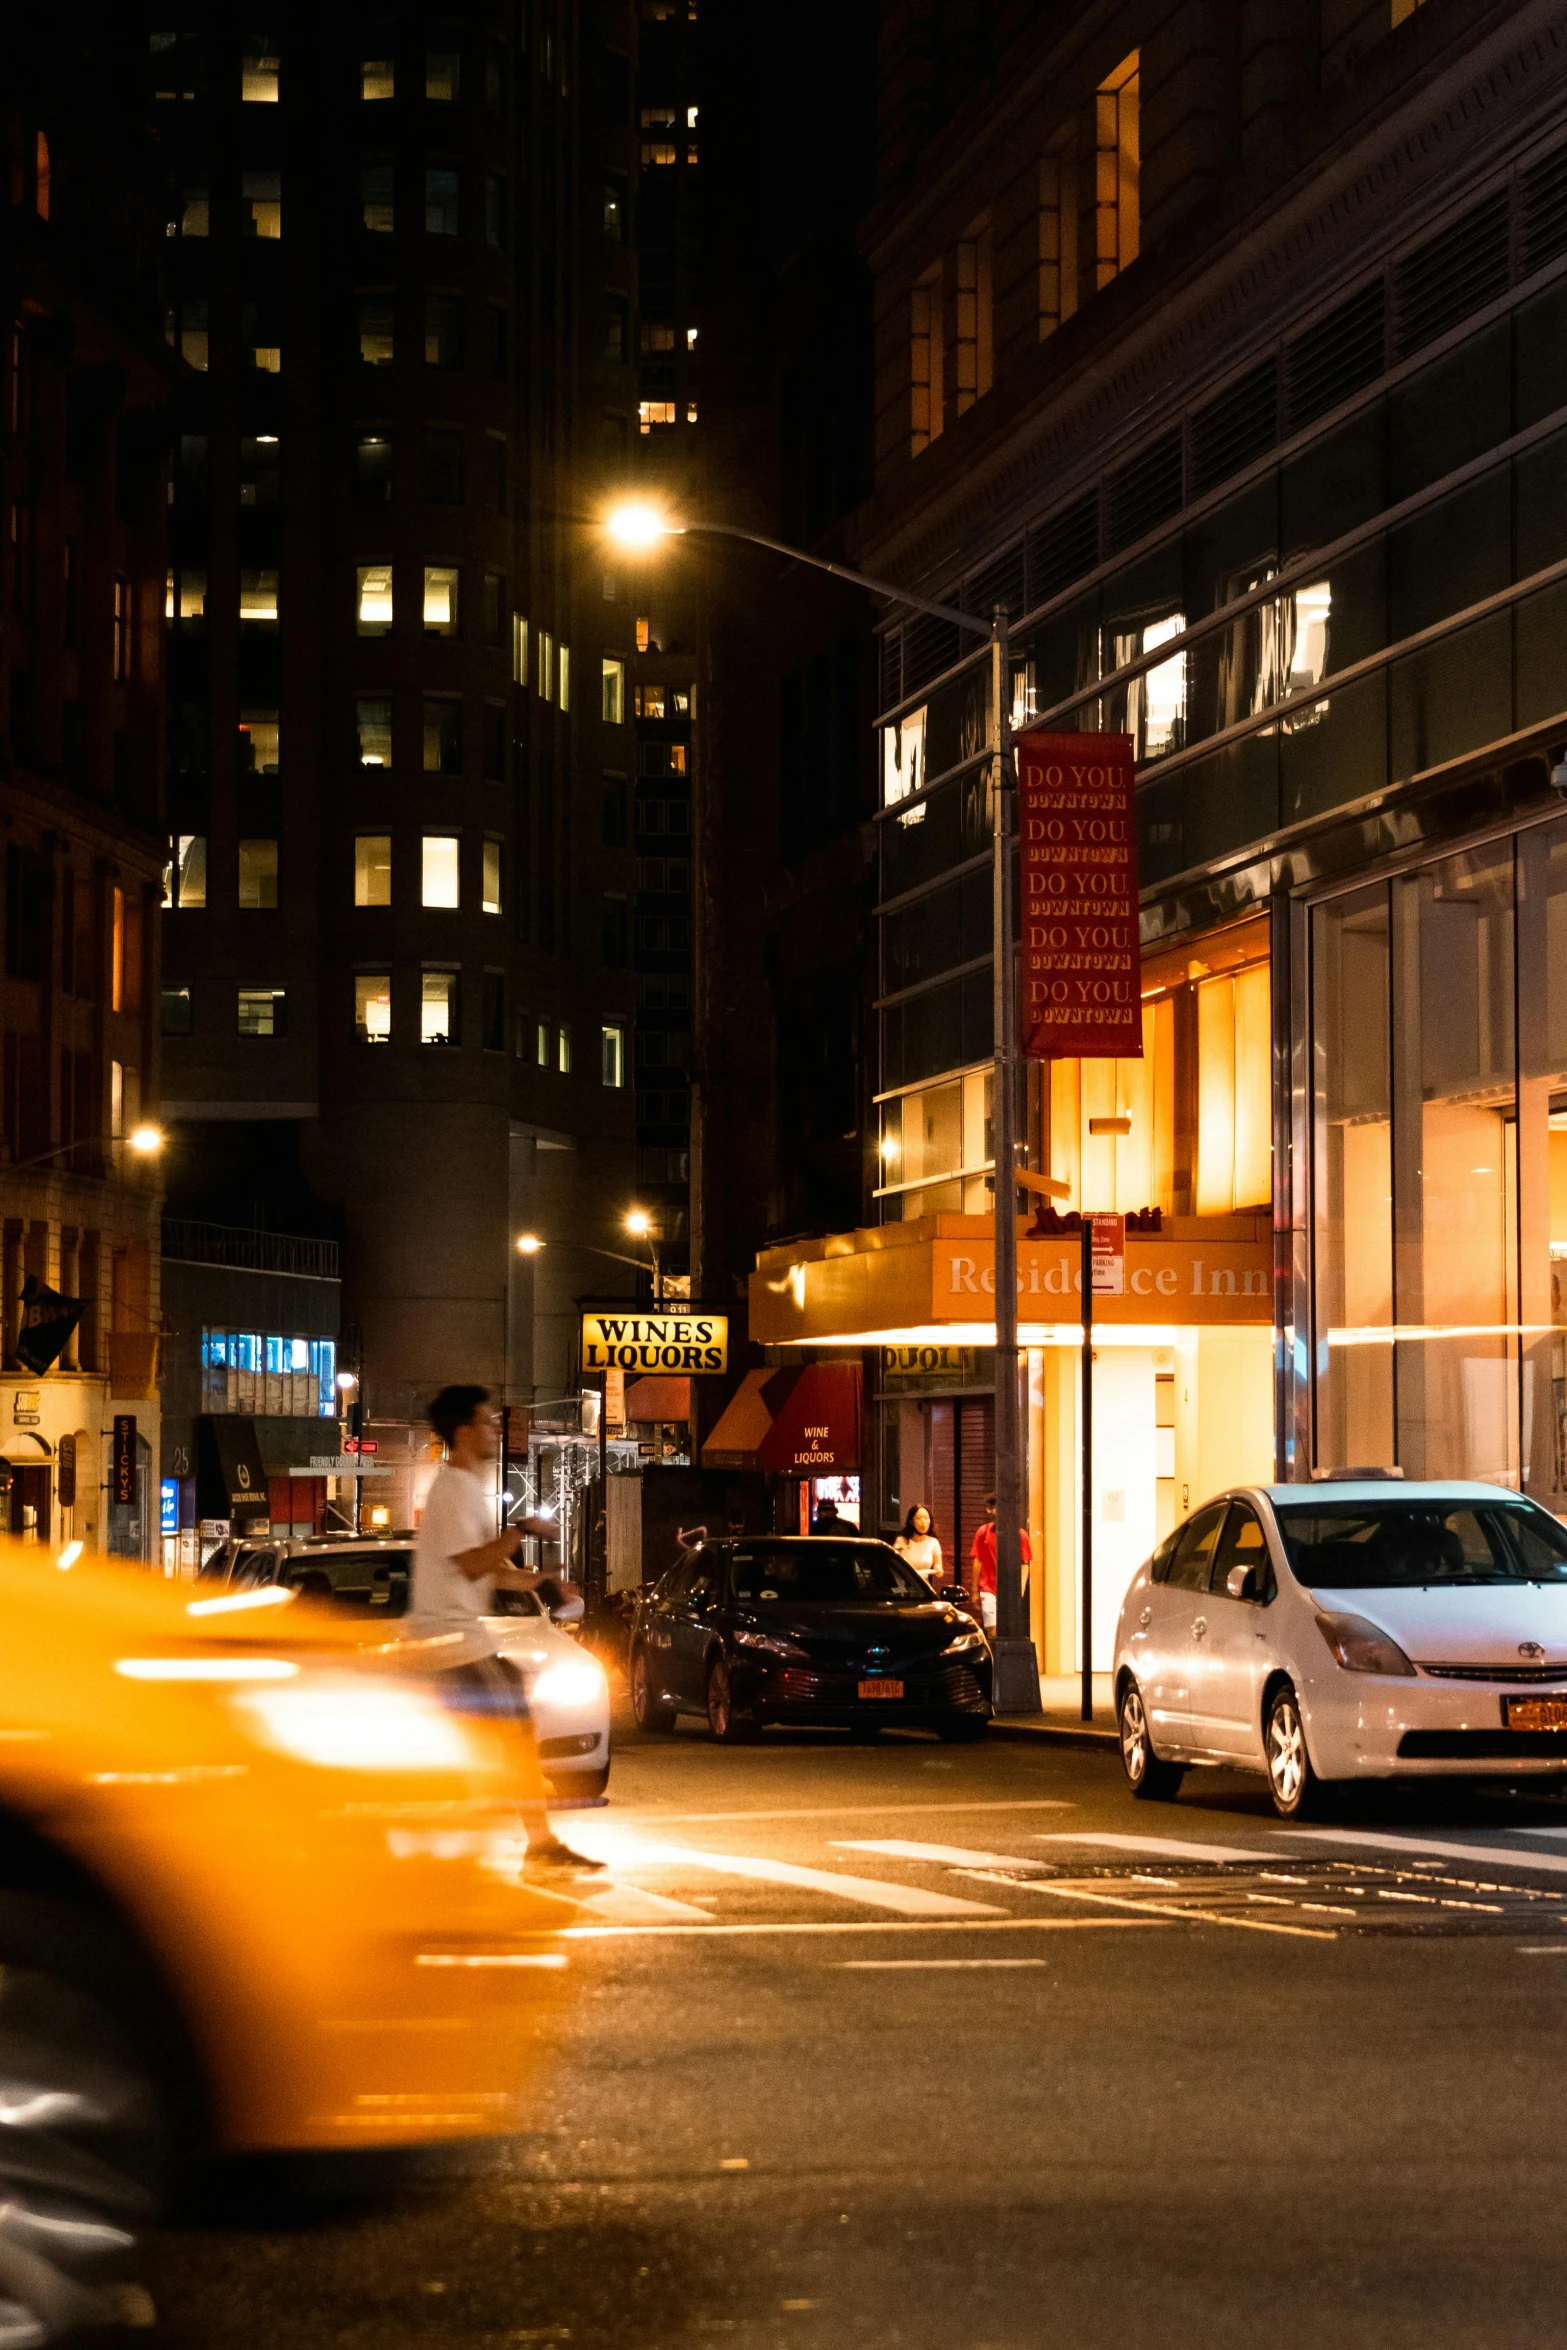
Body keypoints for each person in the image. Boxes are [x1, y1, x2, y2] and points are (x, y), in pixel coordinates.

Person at [412, 1384, 603, 1873]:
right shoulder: (453, 1488)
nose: (495, 1429)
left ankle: (514, 1840)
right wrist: (519, 1533)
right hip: (453, 1641)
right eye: (486, 1421)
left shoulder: (465, 1488)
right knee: (510, 1735)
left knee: (495, 1738)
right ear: (463, 1431)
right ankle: (533, 1842)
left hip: (454, 1639)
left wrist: (539, 1580)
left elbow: (489, 1571)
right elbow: (477, 1563)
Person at [968, 1492, 1032, 1636]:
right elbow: (977, 1560)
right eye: (992, 1508)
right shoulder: (983, 1532)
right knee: (992, 1630)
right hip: (988, 1588)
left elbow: (1024, 1563)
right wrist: (974, 1590)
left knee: (1009, 1631)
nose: (994, 1512)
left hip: (1009, 1590)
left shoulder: (1020, 1534)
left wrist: (1019, 1589)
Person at [893, 1503, 944, 1589]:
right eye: (919, 1518)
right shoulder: (901, 1541)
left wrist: (938, 1569)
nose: (923, 1522)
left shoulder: (933, 1542)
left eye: (926, 1518)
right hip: (904, 1587)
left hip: (924, 1588)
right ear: (911, 1521)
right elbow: (895, 1568)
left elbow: (939, 1568)